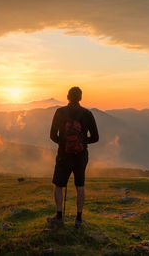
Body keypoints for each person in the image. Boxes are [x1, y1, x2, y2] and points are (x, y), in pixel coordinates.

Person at [47, 86, 99, 228]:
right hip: (81, 156)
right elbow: (95, 138)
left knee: (58, 185)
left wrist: (64, 144)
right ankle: (79, 219)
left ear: (68, 96)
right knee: (80, 186)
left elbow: (52, 135)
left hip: (64, 155)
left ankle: (58, 217)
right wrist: (81, 142)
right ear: (80, 98)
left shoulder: (60, 112)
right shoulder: (87, 114)